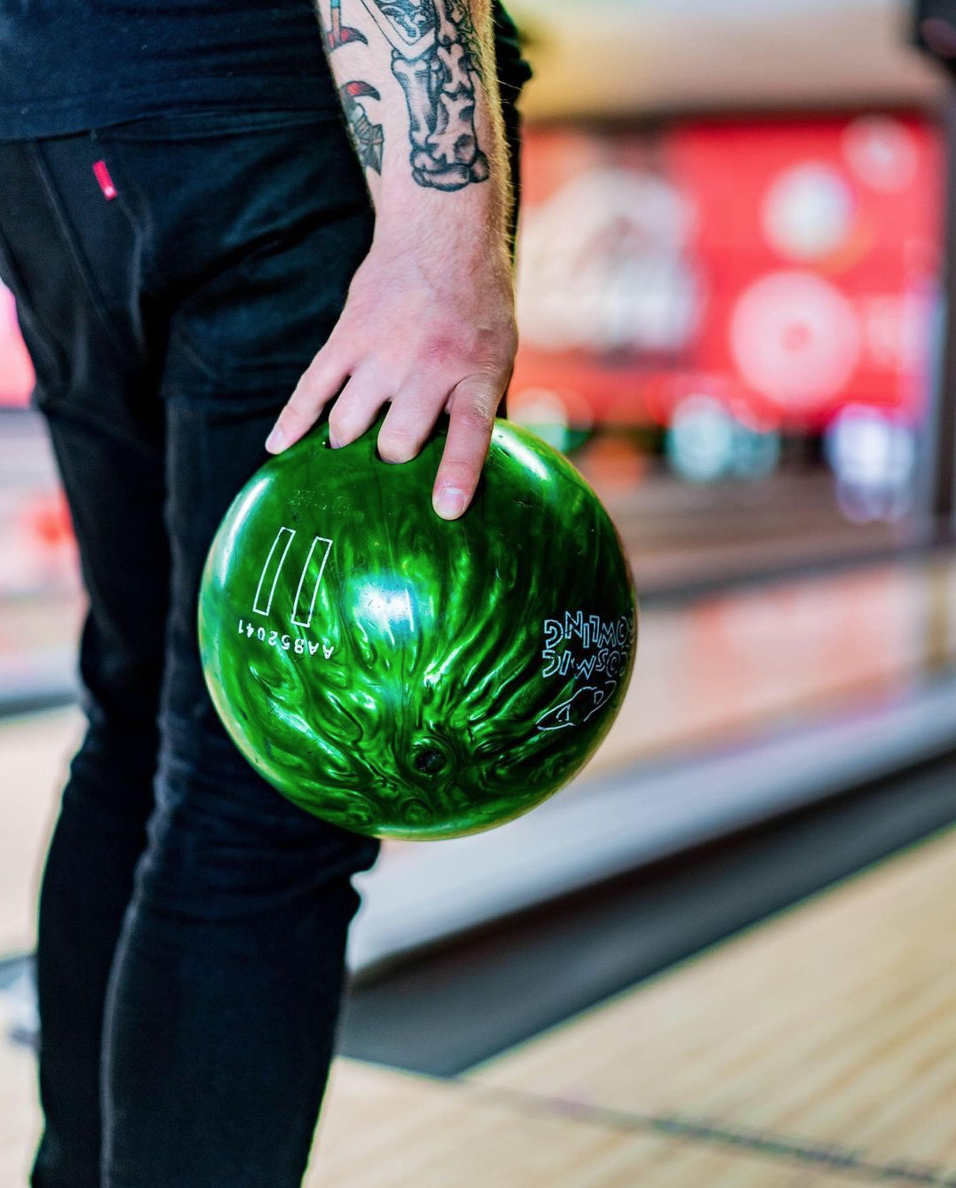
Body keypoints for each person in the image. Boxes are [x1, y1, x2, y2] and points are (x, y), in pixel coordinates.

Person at [0, 1, 531, 1184]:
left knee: (139, 713)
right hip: (278, 117)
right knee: (267, 774)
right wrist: (441, 235)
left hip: (44, 117)